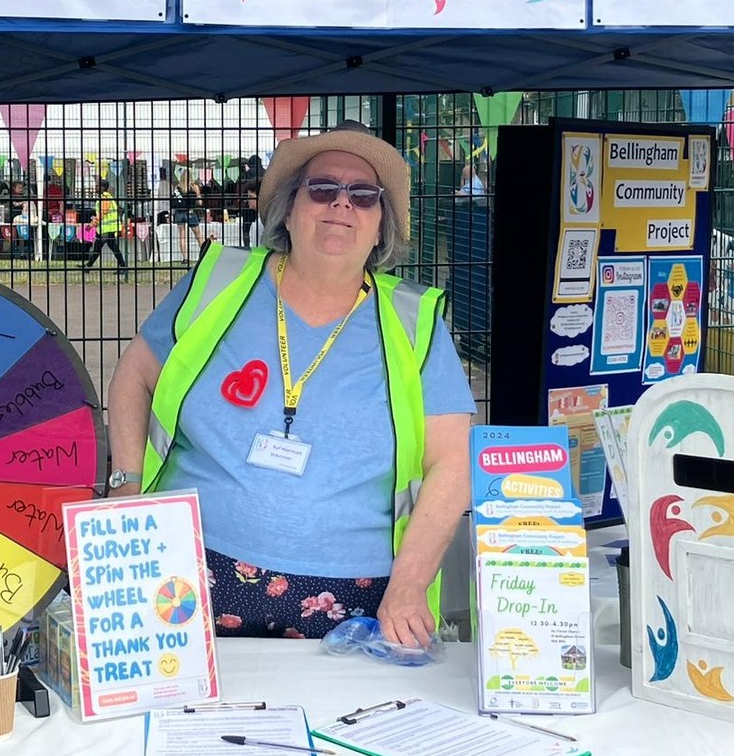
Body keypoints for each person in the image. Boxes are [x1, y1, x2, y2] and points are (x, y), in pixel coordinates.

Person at [107, 121, 475, 644]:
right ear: (289, 209)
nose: (341, 203)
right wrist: (125, 483)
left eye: (363, 195)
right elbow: (135, 374)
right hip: (183, 570)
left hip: (354, 597)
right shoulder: (220, 282)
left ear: (381, 227)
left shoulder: (416, 323)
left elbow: (452, 464)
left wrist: (410, 585)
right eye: (322, 188)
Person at [83, 177, 128, 277]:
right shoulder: (106, 197)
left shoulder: (105, 198)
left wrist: (91, 224)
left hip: (107, 229)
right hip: (106, 228)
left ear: (102, 187)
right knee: (109, 248)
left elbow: (102, 214)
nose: (95, 188)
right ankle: (123, 267)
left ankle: (88, 267)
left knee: (99, 248)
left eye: (97, 186)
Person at [170, 170, 205, 263]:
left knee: (182, 236)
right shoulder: (194, 187)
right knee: (198, 235)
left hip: (179, 213)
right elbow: (200, 203)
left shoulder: (177, 188)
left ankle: (185, 258)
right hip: (190, 212)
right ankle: (204, 254)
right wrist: (197, 193)